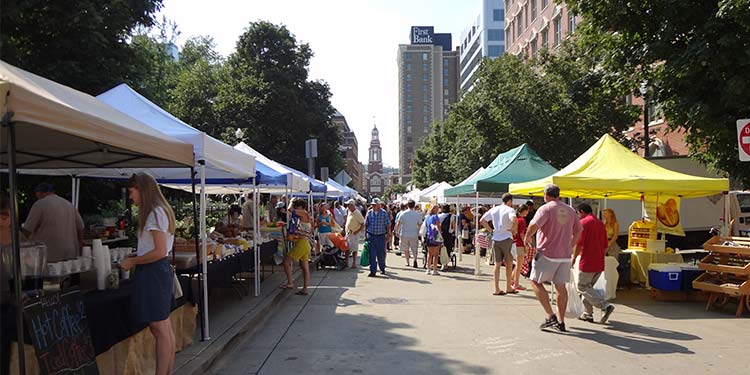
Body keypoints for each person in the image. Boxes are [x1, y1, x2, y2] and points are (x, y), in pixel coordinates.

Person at [119, 173, 177, 375]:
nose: (131, 197)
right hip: (156, 270)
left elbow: (159, 251)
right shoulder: (160, 211)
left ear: (142, 189)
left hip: (153, 272)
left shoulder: (154, 213)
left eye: (132, 192)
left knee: (160, 328)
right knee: (162, 327)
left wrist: (133, 261)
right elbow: (157, 248)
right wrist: (138, 254)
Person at [523, 184, 583, 332]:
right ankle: (561, 321)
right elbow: (579, 231)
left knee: (535, 281)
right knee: (560, 287)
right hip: (564, 255)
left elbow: (533, 225)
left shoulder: (546, 208)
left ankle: (551, 316)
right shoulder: (570, 210)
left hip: (547, 253)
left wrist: (527, 238)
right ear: (559, 194)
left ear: (545, 195)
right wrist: (570, 244)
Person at [574, 203, 616, 324]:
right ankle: (588, 314)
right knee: (588, 287)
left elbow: (579, 243)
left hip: (587, 260)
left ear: (581, 212)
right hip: (598, 261)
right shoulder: (600, 224)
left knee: (581, 287)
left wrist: (573, 258)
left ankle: (605, 305)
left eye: (578, 213)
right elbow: (605, 245)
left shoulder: (584, 223)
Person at [22, 183, 84, 262]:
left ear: (40, 192)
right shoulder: (69, 204)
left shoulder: (40, 204)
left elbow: (27, 229)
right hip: (70, 253)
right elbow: (81, 226)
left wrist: (22, 243)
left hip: (49, 253)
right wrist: (80, 244)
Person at [481, 193, 518, 295]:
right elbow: (514, 219)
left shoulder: (494, 209)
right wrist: (514, 229)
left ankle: (496, 288)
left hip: (496, 238)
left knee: (497, 264)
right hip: (506, 237)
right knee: (509, 262)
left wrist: (491, 230)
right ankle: (508, 286)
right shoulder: (510, 210)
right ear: (510, 201)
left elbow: (482, 220)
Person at [280, 199, 313, 295]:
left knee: (286, 261)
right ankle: (305, 288)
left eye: (296, 206)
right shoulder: (306, 215)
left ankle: (290, 283)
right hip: (305, 243)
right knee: (304, 268)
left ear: (300, 207)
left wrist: (291, 201)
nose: (295, 208)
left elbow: (290, 209)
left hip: (302, 243)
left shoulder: (303, 213)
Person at [364, 198, 391, 277]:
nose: (373, 206)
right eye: (372, 205)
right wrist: (365, 235)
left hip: (381, 236)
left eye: (374, 205)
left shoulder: (384, 213)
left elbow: (388, 225)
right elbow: (366, 224)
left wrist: (388, 235)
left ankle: (382, 268)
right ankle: (373, 271)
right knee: (372, 254)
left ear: (379, 205)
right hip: (371, 236)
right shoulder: (369, 213)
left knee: (381, 254)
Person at [394, 200, 422, 268]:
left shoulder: (403, 213)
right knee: (414, 248)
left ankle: (408, 262)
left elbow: (398, 223)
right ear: (414, 205)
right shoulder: (417, 214)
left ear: (407, 205)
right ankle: (415, 260)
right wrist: (419, 232)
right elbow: (420, 224)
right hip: (414, 233)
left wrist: (396, 231)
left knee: (406, 248)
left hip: (404, 233)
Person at [512, 204, 530, 292]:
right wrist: (525, 244)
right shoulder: (522, 220)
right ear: (525, 211)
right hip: (520, 244)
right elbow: (522, 234)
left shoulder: (516, 220)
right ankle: (516, 283)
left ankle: (512, 280)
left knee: (517, 264)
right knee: (519, 265)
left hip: (514, 243)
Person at [344, 199, 365, 268]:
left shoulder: (357, 213)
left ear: (352, 205)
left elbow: (362, 223)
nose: (347, 206)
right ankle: (346, 262)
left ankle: (354, 263)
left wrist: (357, 231)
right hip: (348, 233)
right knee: (346, 248)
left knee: (354, 249)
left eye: (348, 205)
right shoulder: (349, 211)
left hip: (354, 233)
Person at [424, 204, 443, 275]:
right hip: (435, 236)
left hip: (429, 236)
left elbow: (426, 226)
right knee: (436, 254)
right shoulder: (436, 217)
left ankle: (428, 269)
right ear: (435, 209)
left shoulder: (427, 217)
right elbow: (438, 226)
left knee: (429, 254)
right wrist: (441, 232)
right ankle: (435, 270)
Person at [438, 204, 456, 271]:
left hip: (440, 234)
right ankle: (445, 264)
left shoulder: (439, 216)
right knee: (448, 248)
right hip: (448, 235)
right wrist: (452, 231)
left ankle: (441, 262)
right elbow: (454, 226)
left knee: (440, 249)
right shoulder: (451, 216)